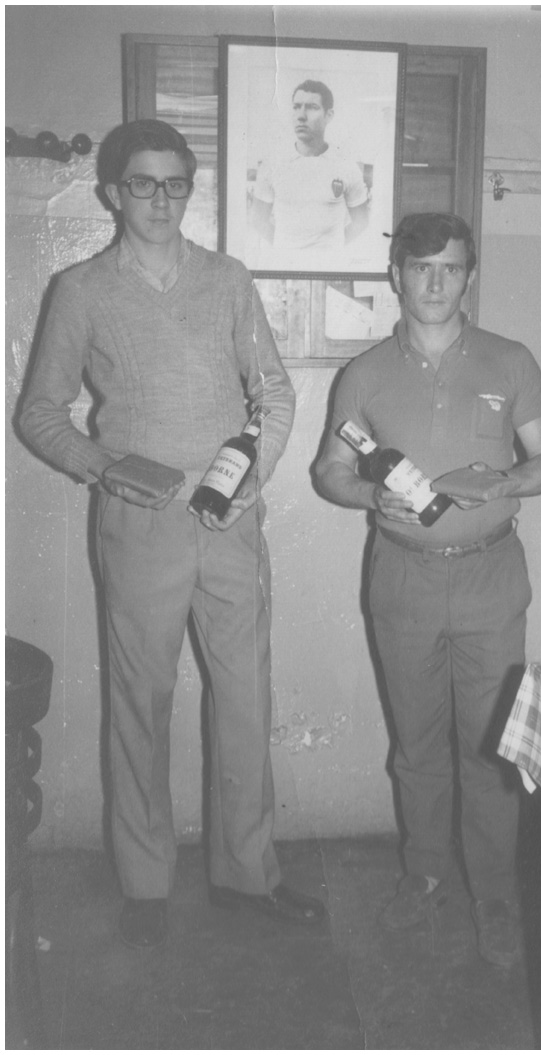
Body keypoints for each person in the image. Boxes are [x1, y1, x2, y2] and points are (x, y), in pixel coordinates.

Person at [20, 119, 325, 949]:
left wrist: (251, 477)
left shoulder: (226, 279)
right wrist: (102, 465)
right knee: (139, 701)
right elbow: (39, 413)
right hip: (138, 526)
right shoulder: (81, 290)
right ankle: (145, 881)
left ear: (190, 189)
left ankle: (247, 871)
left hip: (228, 520)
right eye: (143, 183)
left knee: (244, 698)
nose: (160, 199)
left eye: (175, 183)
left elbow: (274, 392)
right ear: (112, 192)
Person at [315, 212, 541, 967]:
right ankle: (423, 874)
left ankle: (494, 894)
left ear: (469, 276)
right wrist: (371, 496)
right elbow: (329, 470)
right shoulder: (363, 374)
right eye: (420, 268)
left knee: (491, 745)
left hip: (491, 576)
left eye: (450, 268)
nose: (435, 282)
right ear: (395, 275)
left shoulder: (509, 360)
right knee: (417, 742)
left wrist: (507, 480)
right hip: (402, 577)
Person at [250, 79, 369, 265]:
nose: (301, 116)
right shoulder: (272, 164)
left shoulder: (346, 166)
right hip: (285, 267)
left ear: (329, 115)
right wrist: (288, 249)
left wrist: (330, 249)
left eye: (312, 107)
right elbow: (258, 220)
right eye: (296, 107)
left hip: (329, 267)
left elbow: (361, 222)